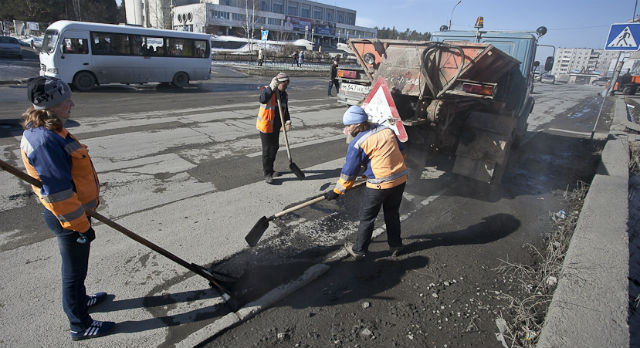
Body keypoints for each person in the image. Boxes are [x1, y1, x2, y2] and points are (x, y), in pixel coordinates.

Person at [20, 76, 115, 341]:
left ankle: (81, 300)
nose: (71, 103)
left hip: (75, 214)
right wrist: (81, 226)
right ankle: (80, 324)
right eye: (65, 101)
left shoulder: (50, 128)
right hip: (68, 218)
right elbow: (59, 195)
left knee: (78, 269)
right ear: (50, 106)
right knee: (73, 273)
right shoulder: (45, 140)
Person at [324, 105, 408, 259]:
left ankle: (359, 250)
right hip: (400, 180)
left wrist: (336, 191)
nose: (347, 129)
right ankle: (396, 246)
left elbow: (349, 173)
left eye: (349, 126)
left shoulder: (358, 143)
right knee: (392, 213)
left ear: (358, 124)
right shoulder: (386, 129)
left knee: (367, 218)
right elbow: (401, 152)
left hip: (379, 185)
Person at [257, 72, 291, 184]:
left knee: (274, 147)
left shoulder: (284, 94)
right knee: (267, 150)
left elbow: (285, 109)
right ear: (278, 83)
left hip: (276, 126)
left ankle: (271, 170)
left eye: (287, 85)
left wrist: (287, 120)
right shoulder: (267, 90)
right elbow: (262, 99)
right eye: (284, 84)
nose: (285, 87)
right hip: (266, 126)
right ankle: (267, 173)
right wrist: (271, 88)